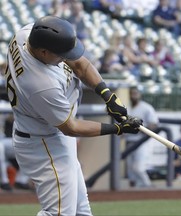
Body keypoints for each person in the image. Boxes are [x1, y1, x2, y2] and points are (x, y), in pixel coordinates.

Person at [4, 15, 142, 216]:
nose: (66, 58)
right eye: (61, 55)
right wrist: (117, 128)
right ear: (44, 52)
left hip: (51, 134)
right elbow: (71, 127)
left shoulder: (28, 34)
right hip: (44, 143)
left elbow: (79, 63)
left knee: (80, 212)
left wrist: (107, 95)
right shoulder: (40, 84)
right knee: (59, 213)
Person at [125, 86, 159, 188]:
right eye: (132, 93)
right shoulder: (127, 108)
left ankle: (148, 187)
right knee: (131, 171)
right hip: (129, 141)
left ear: (140, 94)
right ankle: (134, 192)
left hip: (141, 142)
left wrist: (139, 128)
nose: (133, 95)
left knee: (138, 168)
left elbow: (154, 124)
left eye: (136, 93)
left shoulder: (146, 107)